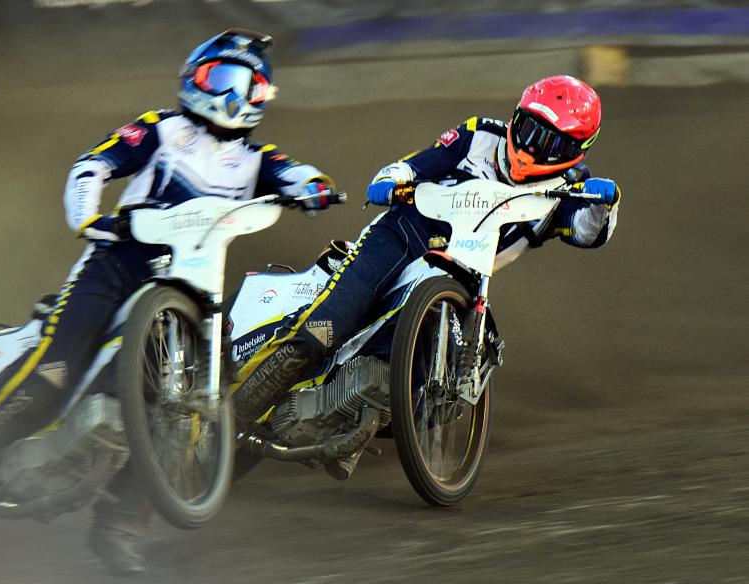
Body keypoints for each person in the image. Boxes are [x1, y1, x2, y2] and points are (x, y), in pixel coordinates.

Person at [0, 29, 334, 576]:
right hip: (114, 266)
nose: (234, 96)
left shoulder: (257, 158)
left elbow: (299, 174)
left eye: (250, 87)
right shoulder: (161, 128)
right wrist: (88, 218)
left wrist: (316, 187)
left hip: (194, 289)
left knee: (183, 412)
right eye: (222, 78)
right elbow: (92, 165)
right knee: (55, 370)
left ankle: (121, 524)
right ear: (194, 79)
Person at [230, 75, 621, 478]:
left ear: (574, 151)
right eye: (528, 129)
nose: (531, 146)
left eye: (550, 142)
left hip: (460, 283)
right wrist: (391, 179)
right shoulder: (479, 135)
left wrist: (604, 204)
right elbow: (417, 163)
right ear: (515, 117)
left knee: (433, 382)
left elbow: (588, 233)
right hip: (400, 238)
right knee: (324, 329)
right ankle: (230, 411)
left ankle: (353, 419)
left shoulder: (572, 189)